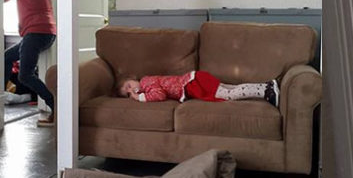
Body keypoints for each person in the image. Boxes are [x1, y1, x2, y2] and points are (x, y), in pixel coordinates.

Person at [3, 0, 56, 127]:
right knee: (7, 57)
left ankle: (56, 105)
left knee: (25, 76)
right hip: (47, 32)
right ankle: (1, 96)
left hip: (35, 32)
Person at [117, 70, 279, 107]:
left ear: (134, 78)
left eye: (129, 86)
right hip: (195, 81)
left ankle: (266, 92)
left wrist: (139, 97)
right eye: (128, 94)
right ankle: (265, 86)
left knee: (228, 95)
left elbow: (159, 95)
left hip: (193, 83)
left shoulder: (147, 82)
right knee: (230, 89)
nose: (132, 91)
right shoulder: (146, 86)